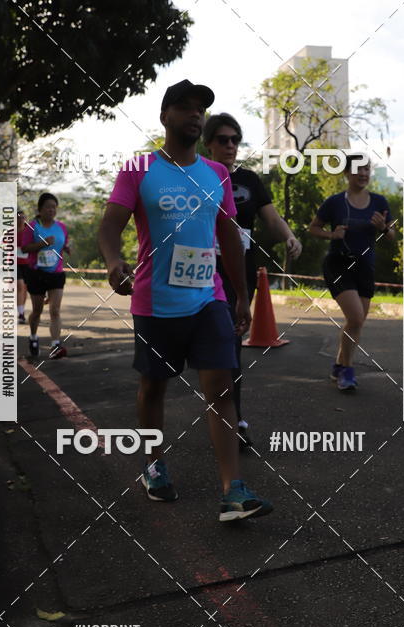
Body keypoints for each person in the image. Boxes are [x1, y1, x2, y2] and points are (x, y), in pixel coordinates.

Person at [98, 79, 273, 522]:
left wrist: (241, 296)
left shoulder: (216, 174)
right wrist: (114, 261)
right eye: (185, 107)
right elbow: (109, 226)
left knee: (221, 387)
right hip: (155, 303)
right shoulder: (140, 167)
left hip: (207, 298)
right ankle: (153, 465)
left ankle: (233, 490)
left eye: (200, 109)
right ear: (164, 116)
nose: (195, 114)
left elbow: (229, 236)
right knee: (153, 386)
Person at [204, 113, 302, 449]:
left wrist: (289, 236)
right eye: (222, 139)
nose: (230, 145)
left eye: (235, 139)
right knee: (209, 352)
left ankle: (235, 419)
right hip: (200, 276)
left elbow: (270, 216)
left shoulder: (249, 180)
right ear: (208, 144)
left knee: (230, 352)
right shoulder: (197, 176)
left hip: (239, 279)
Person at [308, 154, 396, 391]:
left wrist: (383, 228)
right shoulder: (334, 202)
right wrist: (332, 235)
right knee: (356, 318)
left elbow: (392, 236)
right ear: (346, 173)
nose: (363, 174)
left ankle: (338, 365)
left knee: (356, 323)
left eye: (367, 170)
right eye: (358, 170)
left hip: (365, 266)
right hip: (338, 264)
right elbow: (313, 228)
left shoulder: (379, 202)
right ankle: (347, 372)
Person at [21, 193, 70, 359]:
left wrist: (67, 248)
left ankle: (56, 345)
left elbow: (63, 243)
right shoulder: (32, 226)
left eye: (54, 207)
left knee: (55, 310)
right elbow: (25, 248)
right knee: (37, 310)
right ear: (40, 209)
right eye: (48, 207)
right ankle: (33, 337)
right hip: (36, 273)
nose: (51, 210)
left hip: (56, 273)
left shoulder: (62, 227)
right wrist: (42, 243)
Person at [16, 210, 30, 324]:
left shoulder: (30, 231)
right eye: (18, 218)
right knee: (20, 286)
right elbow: (1, 244)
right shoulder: (10, 232)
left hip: (28, 263)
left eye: (22, 218)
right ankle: (20, 314)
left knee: (24, 289)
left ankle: (22, 310)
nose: (20, 220)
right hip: (15, 264)